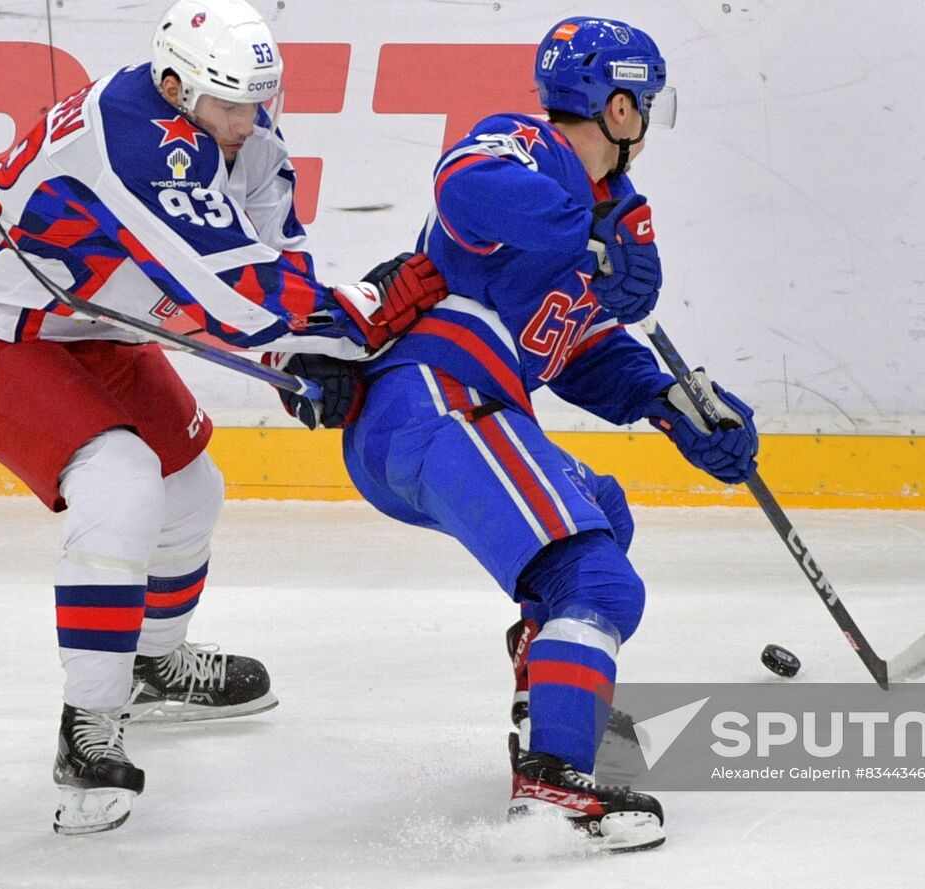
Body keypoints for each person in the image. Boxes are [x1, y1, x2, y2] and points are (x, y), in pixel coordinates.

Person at [0, 0, 446, 835]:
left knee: (190, 488)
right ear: (172, 86)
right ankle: (88, 728)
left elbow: (274, 257)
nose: (249, 121)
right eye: (229, 104)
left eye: (259, 100)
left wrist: (300, 358)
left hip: (79, 309)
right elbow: (231, 292)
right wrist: (362, 316)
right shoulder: (135, 135)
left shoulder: (241, 131)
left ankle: (152, 665)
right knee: (121, 486)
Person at [282, 16, 760, 852]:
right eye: (642, 102)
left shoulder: (608, 210)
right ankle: (552, 783)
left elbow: (571, 345)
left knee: (602, 513)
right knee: (601, 582)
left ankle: (549, 695)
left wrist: (671, 404)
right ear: (616, 107)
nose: (647, 119)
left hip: (463, 410)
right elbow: (463, 185)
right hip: (435, 398)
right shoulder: (530, 149)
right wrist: (587, 235)